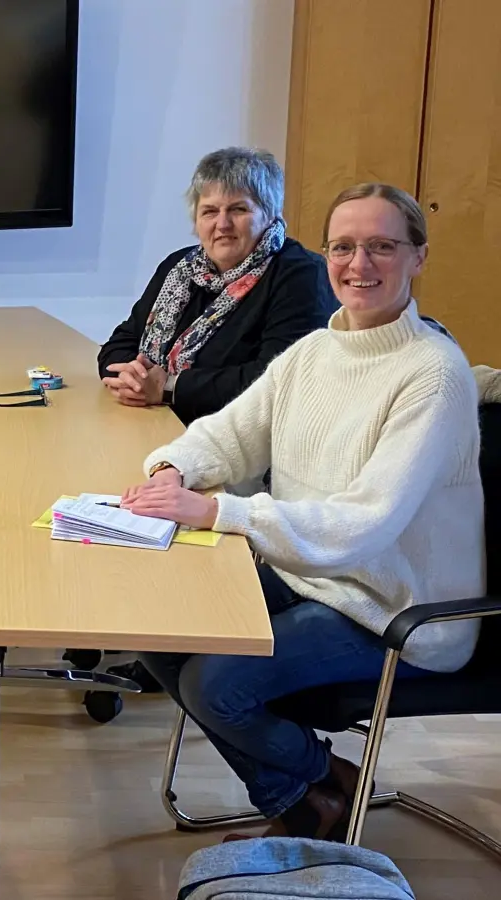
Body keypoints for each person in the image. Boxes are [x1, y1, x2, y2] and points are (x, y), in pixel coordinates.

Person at [122, 183, 483, 842]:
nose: (359, 264)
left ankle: (310, 786)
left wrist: (218, 512)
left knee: (216, 682)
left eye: (382, 247)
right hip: (308, 573)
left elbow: (363, 524)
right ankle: (309, 792)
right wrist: (174, 468)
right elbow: (231, 433)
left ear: (418, 258)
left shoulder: (433, 375)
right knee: (153, 619)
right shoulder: (318, 351)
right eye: (343, 247)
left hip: (391, 606)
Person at [98, 147, 334, 425]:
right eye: (209, 211)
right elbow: (122, 340)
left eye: (238, 209)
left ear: (270, 216)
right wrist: (132, 378)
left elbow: (279, 380)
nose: (223, 223)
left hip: (242, 448)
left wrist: (169, 387)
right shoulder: (179, 267)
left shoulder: (302, 274)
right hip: (154, 424)